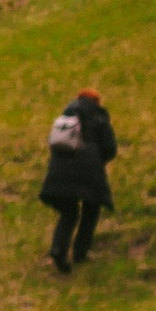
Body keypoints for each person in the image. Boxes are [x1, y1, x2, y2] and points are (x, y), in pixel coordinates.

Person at [39, 82, 118, 273]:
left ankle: (58, 249)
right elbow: (110, 148)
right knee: (92, 208)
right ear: (97, 102)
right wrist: (98, 161)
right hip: (89, 170)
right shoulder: (99, 117)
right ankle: (81, 252)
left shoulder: (65, 118)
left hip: (59, 169)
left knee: (69, 212)